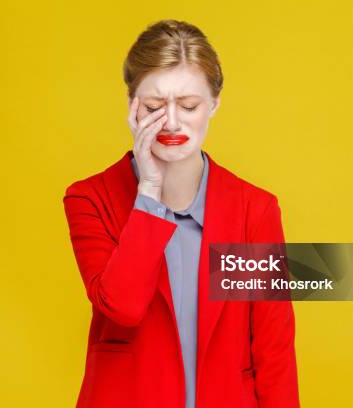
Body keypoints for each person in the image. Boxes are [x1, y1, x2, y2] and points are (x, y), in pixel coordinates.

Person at [63, 19, 299, 408]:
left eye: (188, 106)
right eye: (154, 106)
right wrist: (150, 196)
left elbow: (274, 351)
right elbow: (122, 307)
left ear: (214, 105)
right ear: (131, 105)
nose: (171, 122)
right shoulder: (91, 199)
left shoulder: (253, 210)